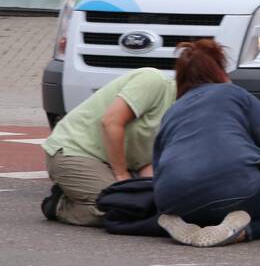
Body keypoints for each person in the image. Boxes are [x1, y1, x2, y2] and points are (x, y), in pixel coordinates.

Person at [153, 39, 260, 247]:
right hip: (237, 191)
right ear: (220, 71)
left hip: (172, 198)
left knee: (202, 205)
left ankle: (185, 222)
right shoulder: (235, 94)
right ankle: (241, 231)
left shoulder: (172, 111)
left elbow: (159, 167)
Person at [41, 66, 176, 226]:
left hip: (110, 161)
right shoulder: (153, 81)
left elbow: (148, 161)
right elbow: (111, 122)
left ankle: (82, 191)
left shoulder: (185, 111)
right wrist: (121, 175)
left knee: (143, 207)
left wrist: (151, 194)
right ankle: (59, 205)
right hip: (74, 151)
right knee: (117, 208)